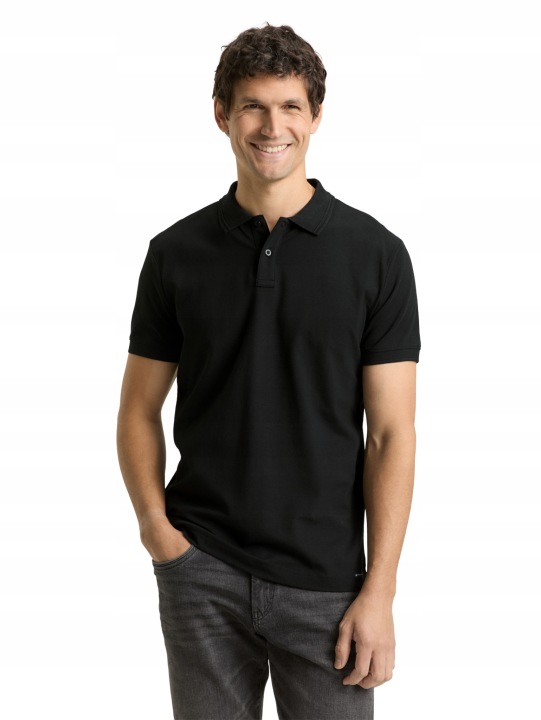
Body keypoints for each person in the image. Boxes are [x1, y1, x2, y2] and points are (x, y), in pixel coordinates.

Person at [116, 23, 420, 720]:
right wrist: (159, 533)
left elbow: (391, 435)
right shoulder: (174, 253)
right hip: (201, 570)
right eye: (252, 105)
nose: (271, 126)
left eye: (289, 106)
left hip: (329, 584)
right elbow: (137, 409)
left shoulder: (376, 255)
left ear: (316, 116)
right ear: (221, 114)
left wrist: (379, 591)